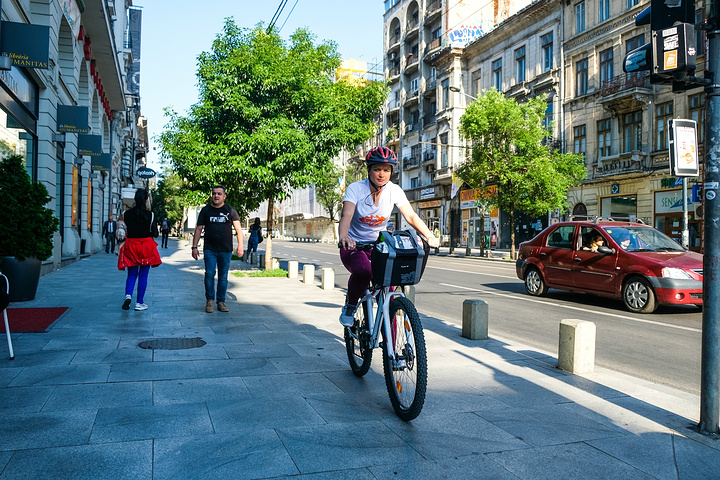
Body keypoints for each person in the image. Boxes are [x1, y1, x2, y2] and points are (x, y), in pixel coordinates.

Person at [338, 146, 439, 327]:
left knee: (390, 299)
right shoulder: (356, 189)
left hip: (379, 247)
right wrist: (345, 237)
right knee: (364, 272)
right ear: (369, 170)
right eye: (377, 169)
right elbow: (346, 215)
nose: (381, 174)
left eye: (386, 170)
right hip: (354, 246)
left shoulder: (394, 190)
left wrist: (429, 236)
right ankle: (351, 306)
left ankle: (391, 352)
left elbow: (411, 216)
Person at [191, 185, 244, 313]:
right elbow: (199, 229)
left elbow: (238, 230)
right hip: (210, 249)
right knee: (209, 274)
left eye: (219, 194)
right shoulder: (205, 210)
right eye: (214, 193)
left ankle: (221, 301)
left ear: (224, 196)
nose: (216, 196)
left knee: (223, 276)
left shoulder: (230, 211)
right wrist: (194, 247)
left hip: (225, 249)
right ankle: (210, 300)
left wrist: (240, 246)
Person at [117, 189, 161, 311]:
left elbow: (122, 231)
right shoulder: (150, 215)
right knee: (143, 275)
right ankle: (139, 302)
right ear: (146, 200)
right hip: (146, 246)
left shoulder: (126, 214)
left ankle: (128, 296)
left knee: (131, 274)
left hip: (131, 245)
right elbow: (155, 234)